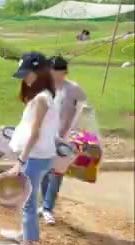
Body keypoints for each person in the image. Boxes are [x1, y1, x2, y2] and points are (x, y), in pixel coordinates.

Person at [0, 52, 60, 245]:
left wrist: (20, 161)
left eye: (28, 73)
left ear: (39, 72)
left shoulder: (42, 98)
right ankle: (24, 234)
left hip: (34, 157)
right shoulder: (44, 96)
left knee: (27, 201)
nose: (25, 78)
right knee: (27, 199)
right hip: (39, 156)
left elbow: (35, 133)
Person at [39, 56, 88, 225]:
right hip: (46, 136)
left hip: (65, 139)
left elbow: (84, 108)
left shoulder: (73, 88)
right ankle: (44, 204)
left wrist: (75, 132)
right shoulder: (46, 89)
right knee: (44, 171)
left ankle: (48, 208)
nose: (51, 73)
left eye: (55, 70)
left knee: (56, 174)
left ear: (64, 71)